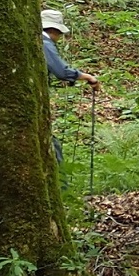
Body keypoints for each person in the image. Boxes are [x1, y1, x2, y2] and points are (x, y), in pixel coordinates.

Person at [41, 8, 99, 165]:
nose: (59, 37)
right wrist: (86, 77)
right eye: (59, 33)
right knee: (53, 147)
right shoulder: (45, 42)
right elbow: (61, 71)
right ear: (54, 29)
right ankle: (61, 185)